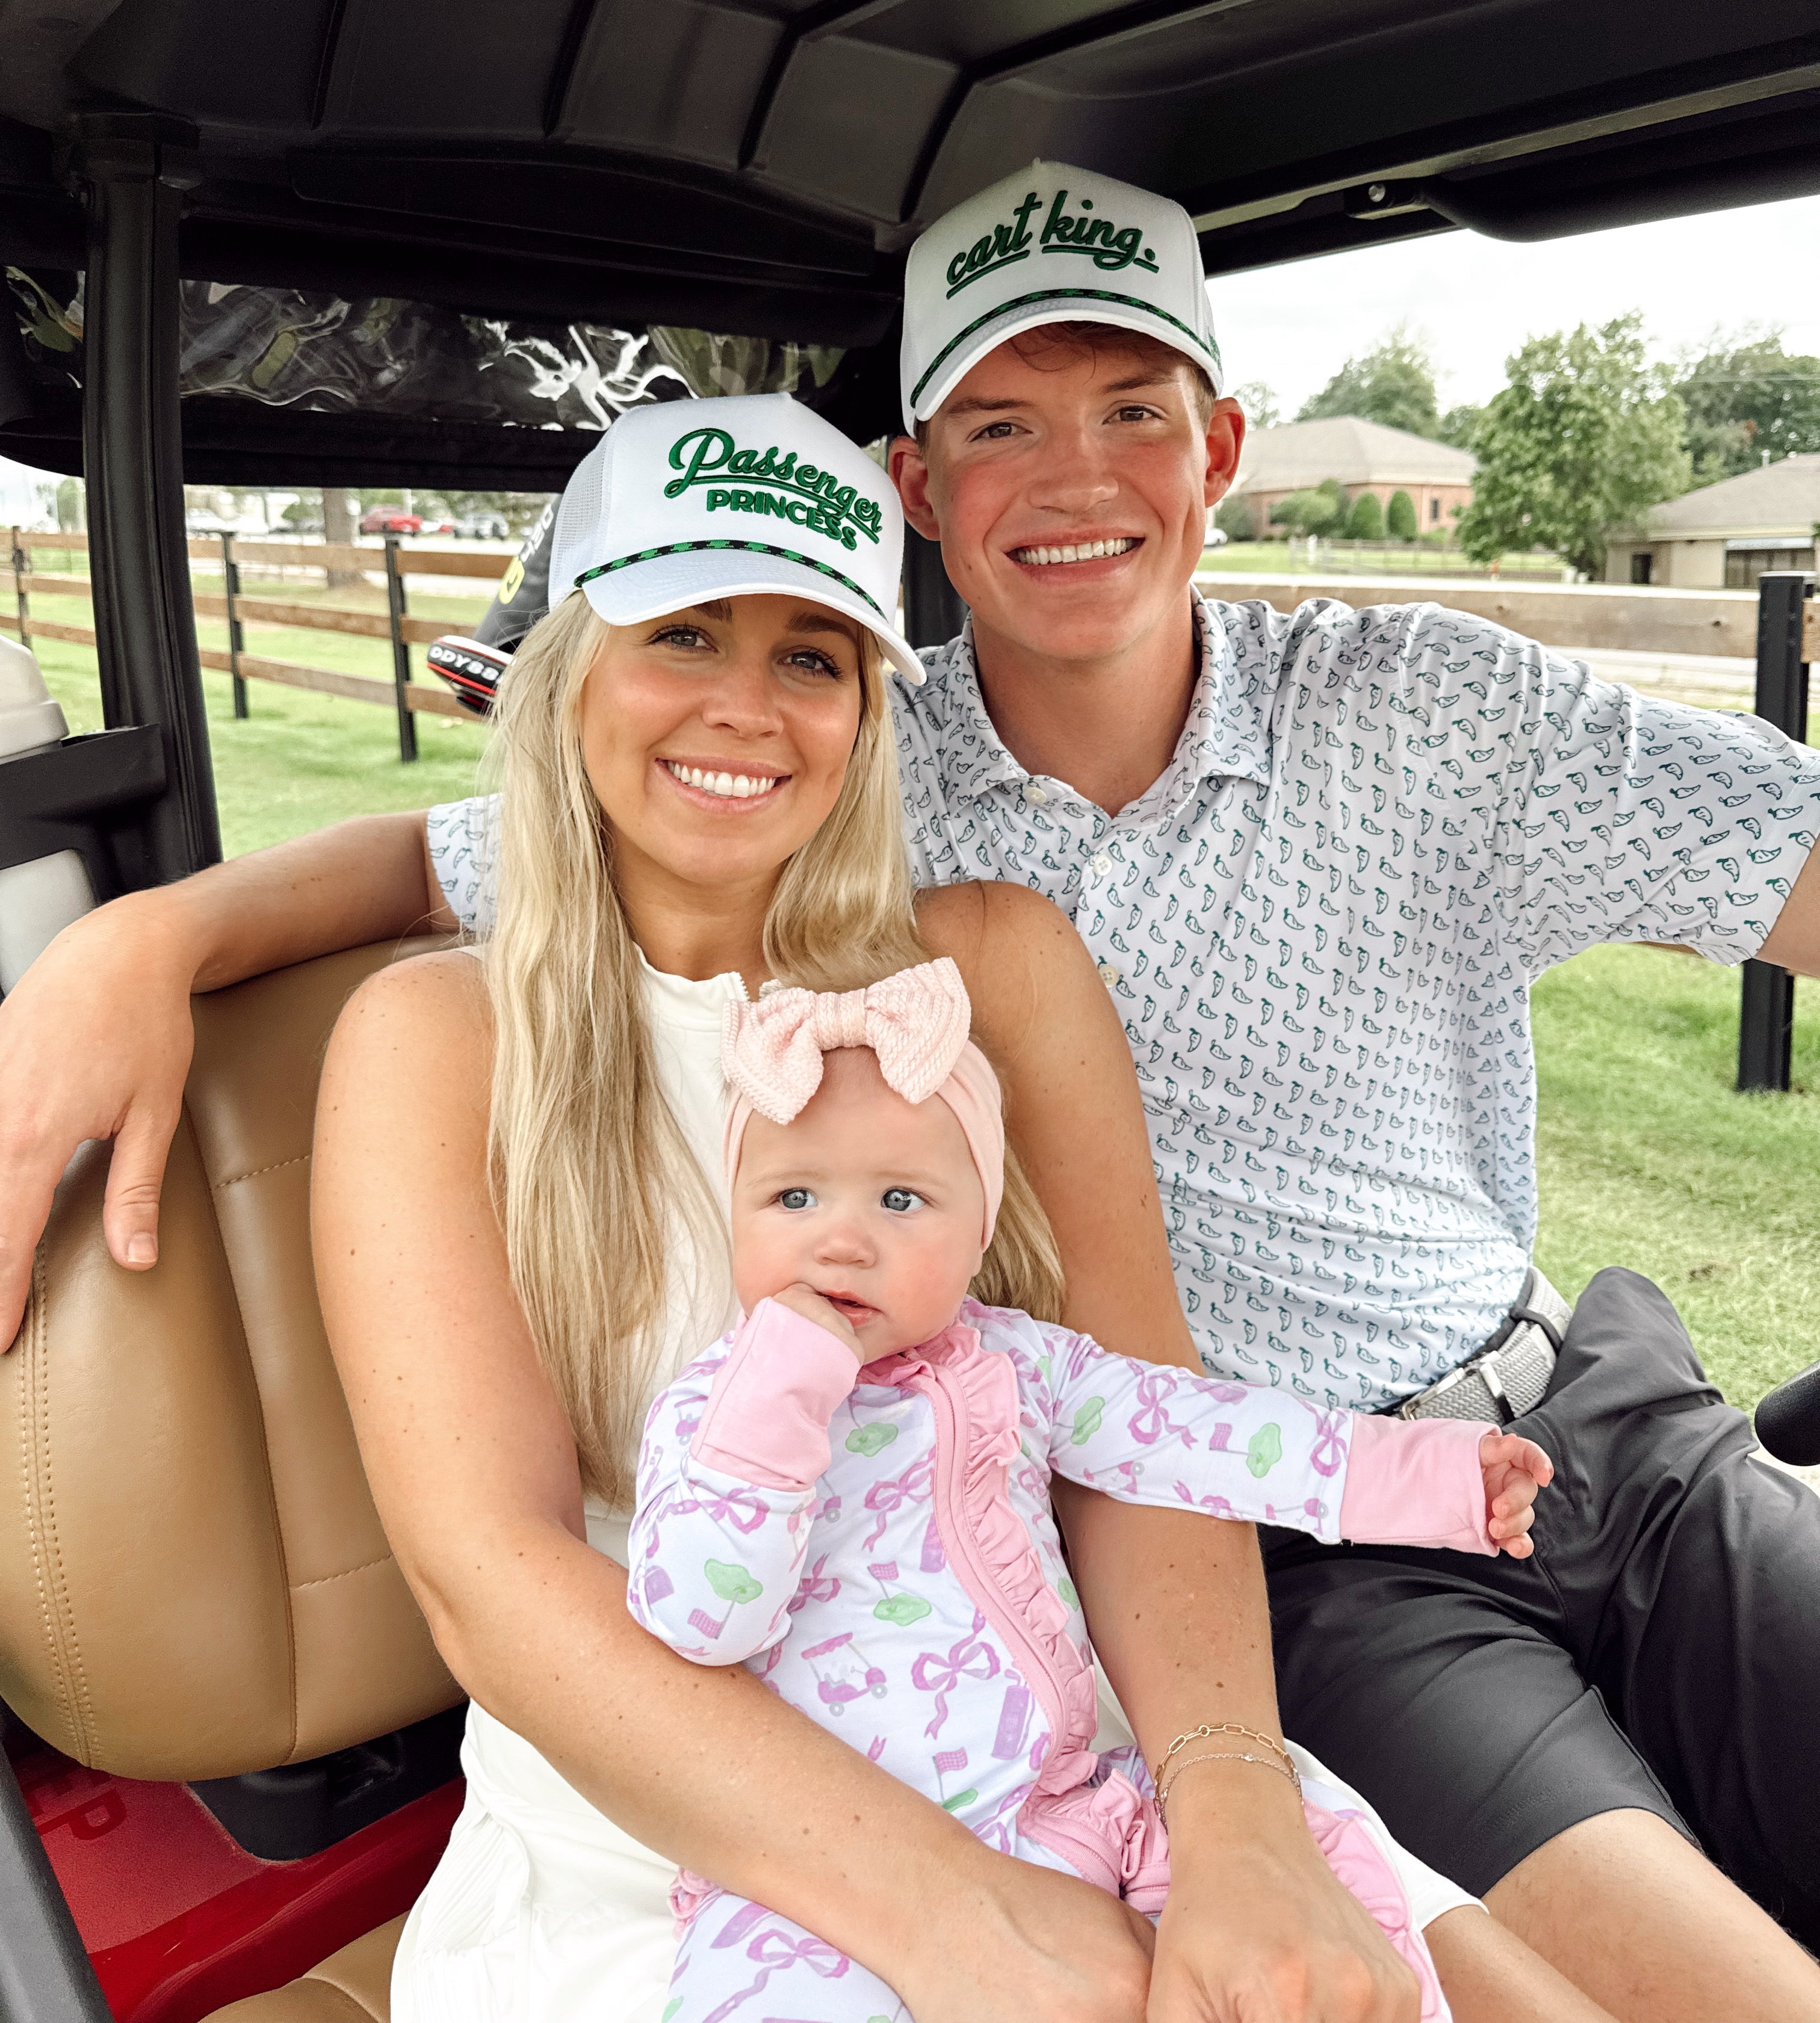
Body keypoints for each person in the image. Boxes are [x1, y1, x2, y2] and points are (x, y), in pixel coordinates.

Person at [2, 159, 1816, 2015]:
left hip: (1189, 1632)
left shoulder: (988, 952)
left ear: (880, 701)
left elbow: (1135, 1404)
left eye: (811, 656)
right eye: (679, 634)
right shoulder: (460, 1025)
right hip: (746, 1788)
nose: (745, 705)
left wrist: (1236, 1810)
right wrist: (129, 943)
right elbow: (494, 1565)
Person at [630, 956, 1555, 2023]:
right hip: (820, 1873)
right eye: (794, 1196)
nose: (844, 1236)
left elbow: (1208, 1436)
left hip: (1065, 1811)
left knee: (1333, 1883)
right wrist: (783, 1389)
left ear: (978, 1230)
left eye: (901, 1198)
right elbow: (701, 1619)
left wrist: (1435, 1476)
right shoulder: (716, 1408)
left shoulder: (1025, 1367)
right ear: (735, 1220)